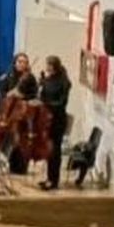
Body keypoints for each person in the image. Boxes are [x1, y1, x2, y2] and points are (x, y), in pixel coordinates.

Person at [38, 56, 71, 190]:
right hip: (47, 119)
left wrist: (46, 104)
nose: (47, 67)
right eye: (47, 64)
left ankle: (54, 181)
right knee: (49, 150)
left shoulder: (64, 82)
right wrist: (40, 87)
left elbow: (62, 103)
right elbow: (42, 96)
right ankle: (49, 178)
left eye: (50, 65)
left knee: (55, 150)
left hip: (57, 120)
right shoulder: (47, 80)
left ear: (55, 66)